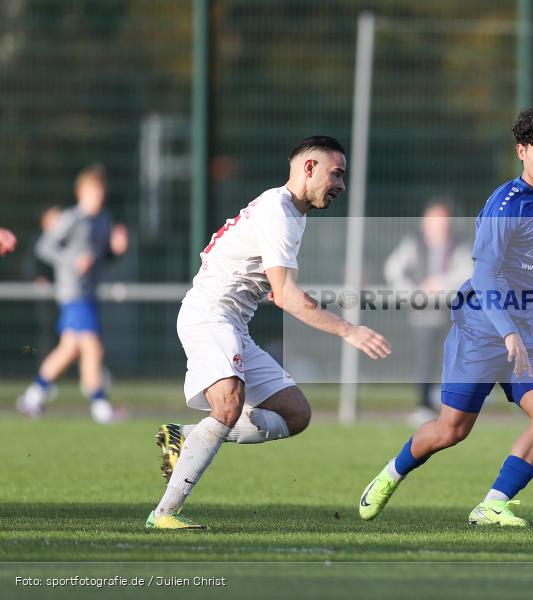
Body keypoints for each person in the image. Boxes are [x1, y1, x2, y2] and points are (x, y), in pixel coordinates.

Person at [146, 136, 391, 530]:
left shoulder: (294, 213)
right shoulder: (278, 211)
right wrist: (347, 330)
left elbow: (280, 293)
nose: (341, 185)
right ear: (309, 168)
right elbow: (287, 296)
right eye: (337, 174)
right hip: (210, 316)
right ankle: (164, 513)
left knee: (295, 414)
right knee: (228, 403)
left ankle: (186, 437)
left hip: (233, 324)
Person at [358, 101, 533, 527]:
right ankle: (391, 474)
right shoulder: (506, 203)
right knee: (451, 430)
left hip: (525, 329)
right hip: (481, 328)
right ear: (521, 151)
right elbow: (486, 274)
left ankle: (493, 503)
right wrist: (508, 333)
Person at [16, 165, 129, 424]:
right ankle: (100, 405)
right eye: (93, 192)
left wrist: (116, 250)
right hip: (72, 293)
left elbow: (101, 258)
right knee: (92, 346)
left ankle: (33, 396)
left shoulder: (103, 220)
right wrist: (72, 259)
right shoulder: (71, 219)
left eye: (101, 192)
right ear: (81, 193)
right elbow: (44, 247)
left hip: (89, 294)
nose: (98, 197)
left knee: (68, 350)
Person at [383, 200, 471, 426]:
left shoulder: (459, 246)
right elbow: (393, 270)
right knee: (425, 361)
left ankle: (455, 406)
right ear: (425, 223)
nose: (440, 226)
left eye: (443, 221)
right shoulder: (413, 245)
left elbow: (468, 274)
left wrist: (440, 285)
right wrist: (414, 294)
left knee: (455, 360)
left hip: (453, 315)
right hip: (422, 315)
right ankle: (424, 406)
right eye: (435, 221)